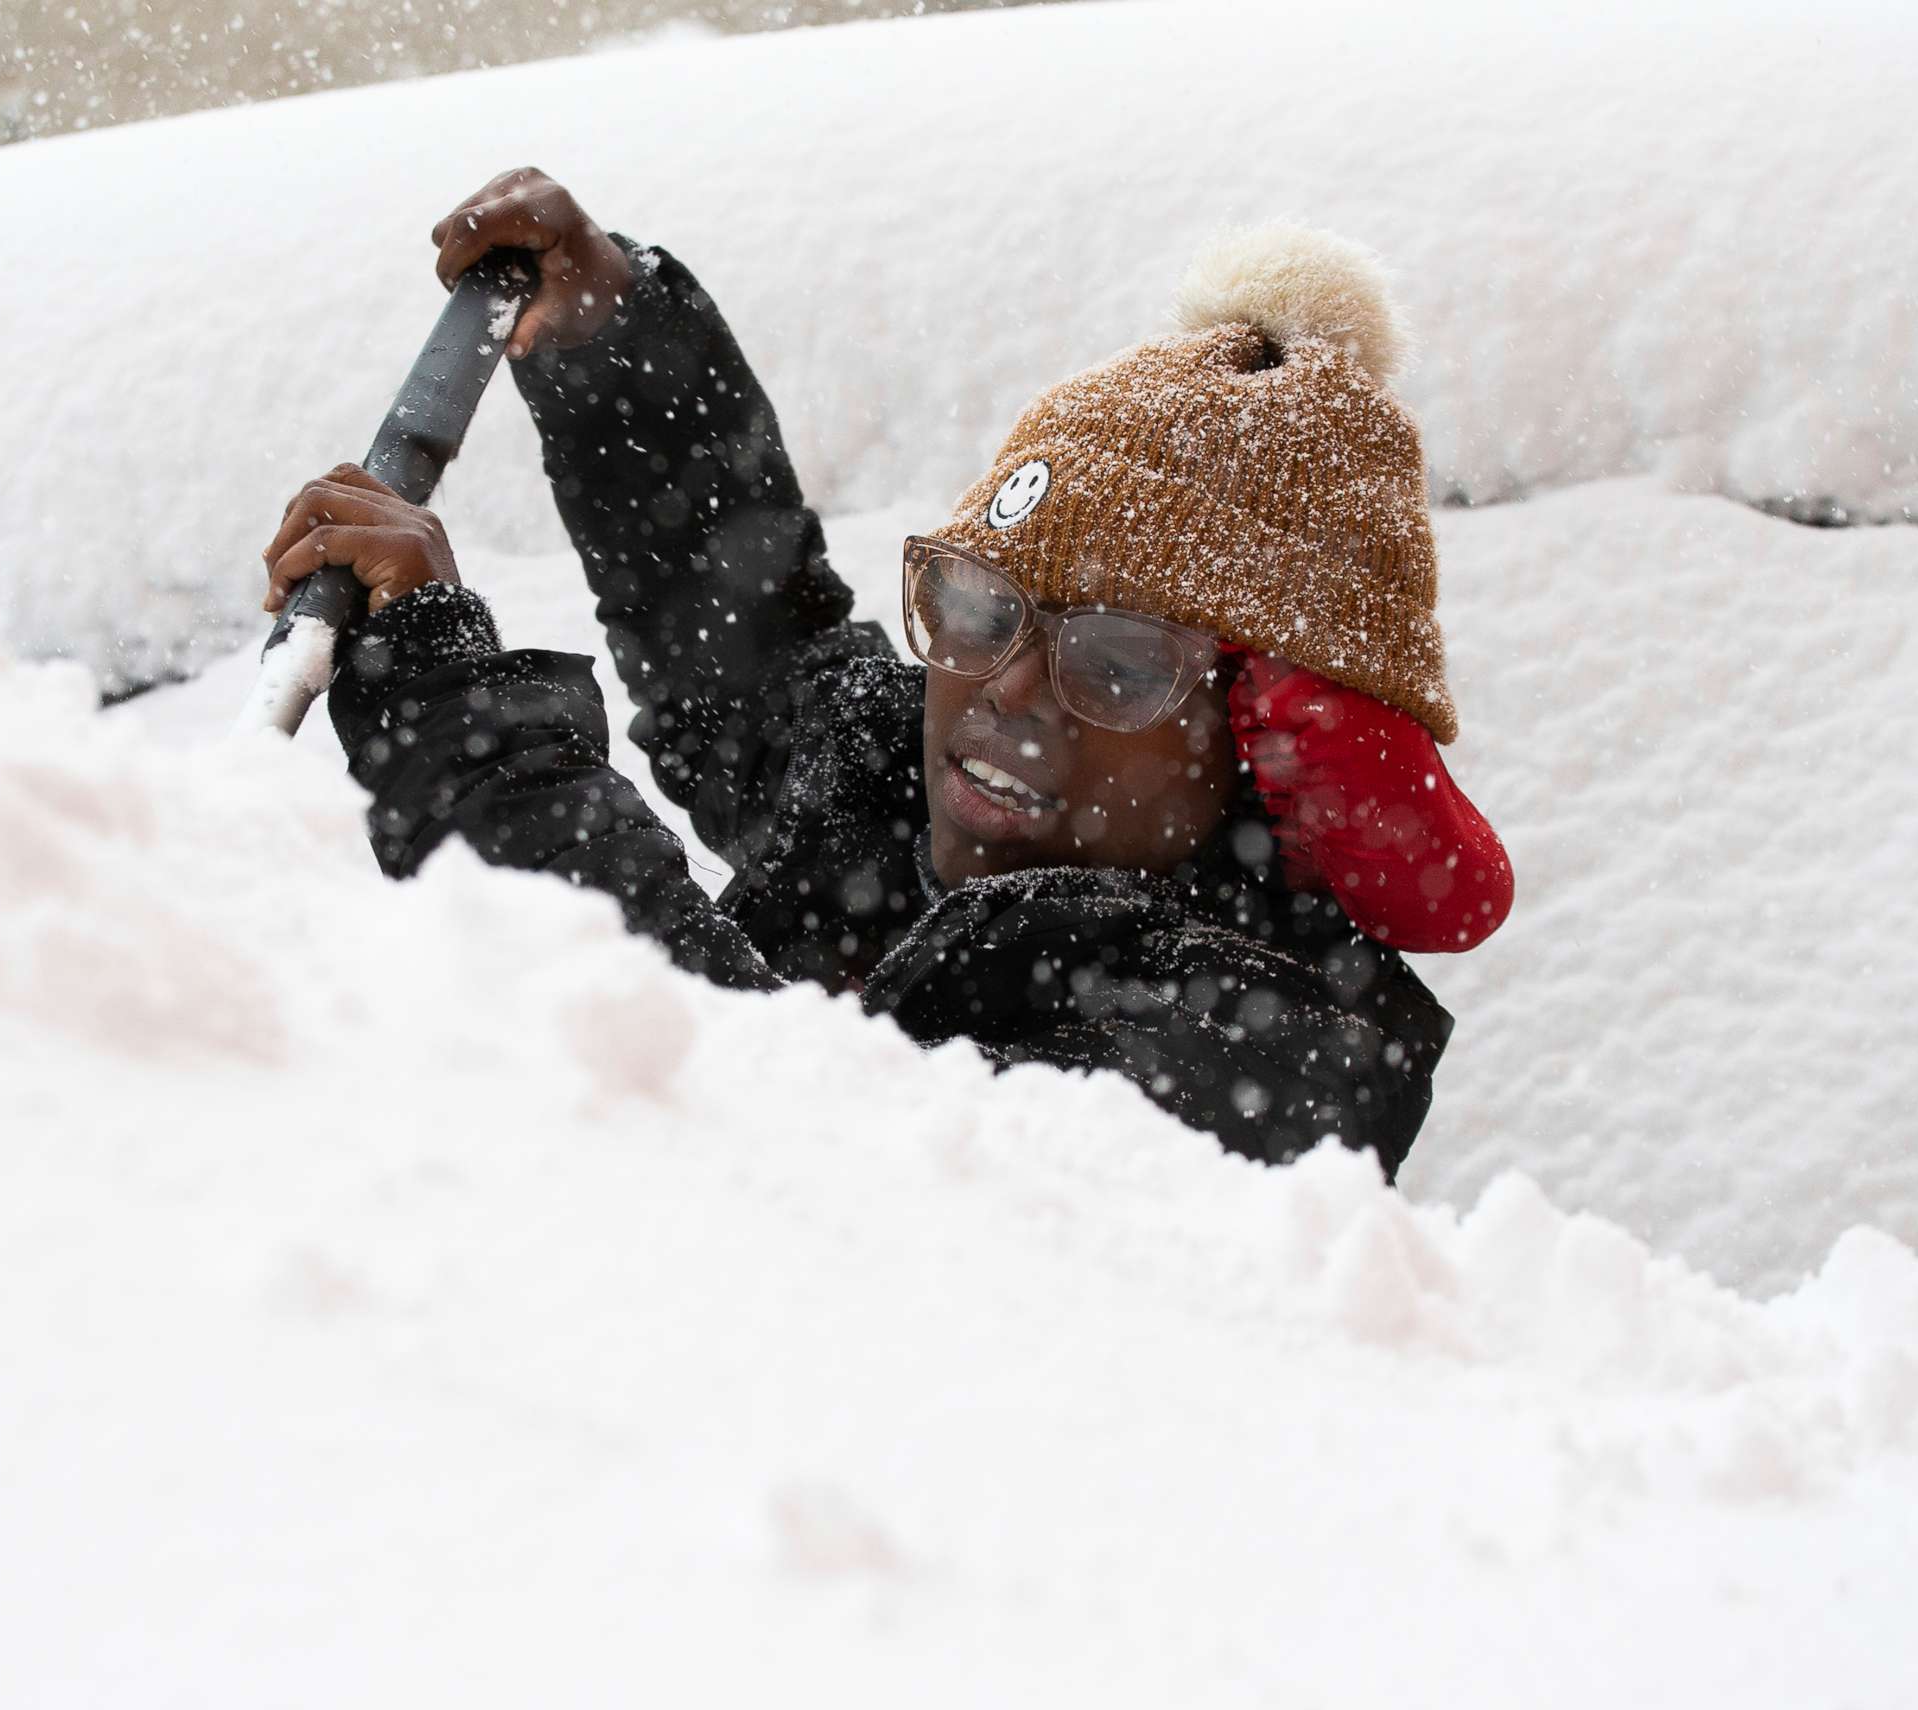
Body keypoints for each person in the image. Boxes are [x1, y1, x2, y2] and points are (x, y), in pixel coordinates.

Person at [259, 168, 1513, 1175]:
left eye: (1118, 662)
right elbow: (750, 651)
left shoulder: (1265, 1060)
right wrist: (613, 347)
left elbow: (783, 1173)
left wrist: (463, 722)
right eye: (978, 605)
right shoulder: (897, 797)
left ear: (1269, 749)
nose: (1003, 692)